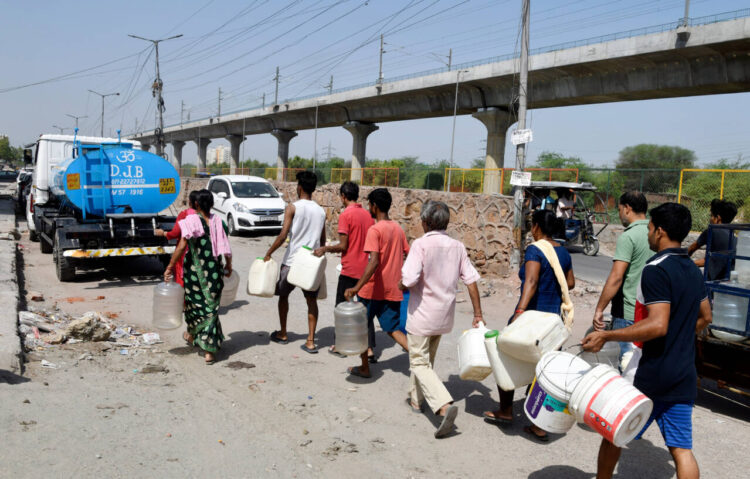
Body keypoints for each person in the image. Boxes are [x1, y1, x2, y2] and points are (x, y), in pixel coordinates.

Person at [583, 203, 712, 479]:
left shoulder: (655, 269)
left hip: (649, 374)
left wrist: (606, 334)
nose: (649, 233)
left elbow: (657, 324)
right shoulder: (691, 268)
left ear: (660, 231)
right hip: (683, 373)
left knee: (613, 434)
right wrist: (681, 337)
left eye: (651, 228)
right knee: (681, 450)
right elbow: (706, 316)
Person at [483, 209, 574, 442]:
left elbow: (531, 282)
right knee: (544, 370)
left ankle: (505, 411)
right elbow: (570, 282)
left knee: (504, 355)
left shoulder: (536, 249)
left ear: (536, 227)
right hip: (553, 321)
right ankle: (539, 425)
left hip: (532, 318)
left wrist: (519, 312)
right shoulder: (562, 252)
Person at [400, 200, 484, 438]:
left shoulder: (420, 245)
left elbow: (409, 279)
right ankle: (416, 401)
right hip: (444, 315)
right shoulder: (456, 246)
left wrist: (399, 283)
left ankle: (442, 405)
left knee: (418, 362)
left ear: (425, 222)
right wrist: (478, 313)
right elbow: (471, 280)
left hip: (422, 315)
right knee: (427, 360)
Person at [343, 188, 410, 378]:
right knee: (392, 329)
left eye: (369, 205)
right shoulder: (397, 228)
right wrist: (405, 278)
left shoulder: (375, 230)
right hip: (392, 288)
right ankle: (419, 358)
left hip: (371, 290)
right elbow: (410, 253)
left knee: (361, 326)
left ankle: (364, 367)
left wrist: (356, 287)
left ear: (374, 206)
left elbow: (373, 261)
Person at [164, 189, 232, 365]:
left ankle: (209, 350)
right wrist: (229, 266)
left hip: (195, 274)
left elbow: (181, 247)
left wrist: (170, 267)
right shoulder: (220, 222)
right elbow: (226, 247)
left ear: (196, 204)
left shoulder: (191, 221)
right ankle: (192, 335)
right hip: (215, 273)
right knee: (210, 308)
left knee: (199, 308)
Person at [264, 171, 327, 354]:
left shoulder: (292, 207)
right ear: (314, 188)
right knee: (311, 301)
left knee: (283, 296)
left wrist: (269, 252)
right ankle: (310, 341)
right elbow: (322, 241)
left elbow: (283, 235)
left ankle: (283, 333)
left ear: (299, 187)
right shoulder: (321, 211)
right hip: (311, 263)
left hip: (292, 261)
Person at [314, 181, 375, 358]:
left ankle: (340, 345)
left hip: (349, 270)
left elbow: (343, 245)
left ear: (343, 196)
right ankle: (369, 348)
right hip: (366, 270)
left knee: (341, 307)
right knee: (364, 310)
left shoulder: (346, 215)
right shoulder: (367, 215)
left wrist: (325, 248)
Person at [592, 192, 650, 363]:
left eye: (619, 209)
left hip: (628, 314)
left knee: (625, 365)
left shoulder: (629, 236)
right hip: (650, 312)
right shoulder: (656, 233)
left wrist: (599, 309)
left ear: (627, 209)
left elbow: (617, 277)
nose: (619, 214)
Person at [155, 190, 199, 287]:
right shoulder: (207, 217)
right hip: (202, 254)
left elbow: (176, 233)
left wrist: (163, 233)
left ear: (190, 202)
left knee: (182, 279)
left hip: (186, 254)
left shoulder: (185, 214)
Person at [688, 198, 738, 281]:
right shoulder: (733, 236)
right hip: (728, 281)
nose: (710, 219)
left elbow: (692, 248)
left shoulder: (711, 231)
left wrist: (683, 262)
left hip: (712, 282)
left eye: (711, 216)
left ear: (717, 218)